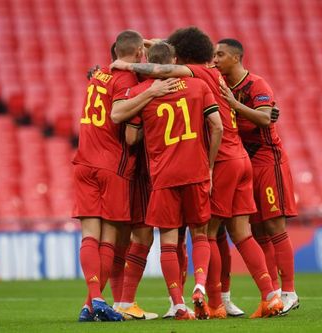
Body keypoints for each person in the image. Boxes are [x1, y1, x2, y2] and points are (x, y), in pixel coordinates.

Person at [111, 27, 284, 319]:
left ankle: (210, 301)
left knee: (204, 234)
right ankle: (271, 295)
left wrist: (127, 65)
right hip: (240, 157)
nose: (216, 59)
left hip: (210, 164)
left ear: (181, 60)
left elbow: (157, 75)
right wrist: (156, 44)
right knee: (239, 233)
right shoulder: (214, 76)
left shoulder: (192, 76)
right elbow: (214, 121)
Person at [111, 41, 224, 320]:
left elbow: (130, 137)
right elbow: (218, 126)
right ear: (173, 60)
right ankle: (200, 287)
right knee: (200, 235)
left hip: (163, 176)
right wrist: (209, 166)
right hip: (196, 171)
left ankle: (179, 304)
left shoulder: (141, 92)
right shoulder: (198, 85)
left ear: (149, 61)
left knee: (169, 243)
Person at [72, 30, 177, 322]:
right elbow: (126, 127)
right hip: (112, 165)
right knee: (110, 239)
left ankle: (92, 302)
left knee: (89, 238)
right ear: (140, 55)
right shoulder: (129, 81)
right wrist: (152, 92)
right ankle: (101, 302)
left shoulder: (99, 76)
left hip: (83, 162)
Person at [214, 38, 300, 315]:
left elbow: (265, 118)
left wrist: (233, 105)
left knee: (275, 226)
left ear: (236, 58)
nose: (215, 59)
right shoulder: (220, 83)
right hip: (243, 163)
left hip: (267, 160)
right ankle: (272, 294)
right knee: (258, 230)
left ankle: (289, 292)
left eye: (220, 55)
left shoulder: (256, 85)